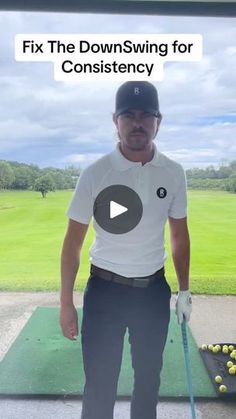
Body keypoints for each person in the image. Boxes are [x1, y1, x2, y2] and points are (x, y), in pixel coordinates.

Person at [60, 81, 192, 419]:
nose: (137, 123)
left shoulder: (174, 173)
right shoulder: (96, 173)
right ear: (115, 121)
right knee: (100, 386)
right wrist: (65, 303)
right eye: (128, 115)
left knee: (148, 384)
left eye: (146, 115)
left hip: (152, 293)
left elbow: (179, 235)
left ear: (158, 121)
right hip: (105, 292)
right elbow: (72, 242)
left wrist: (185, 290)